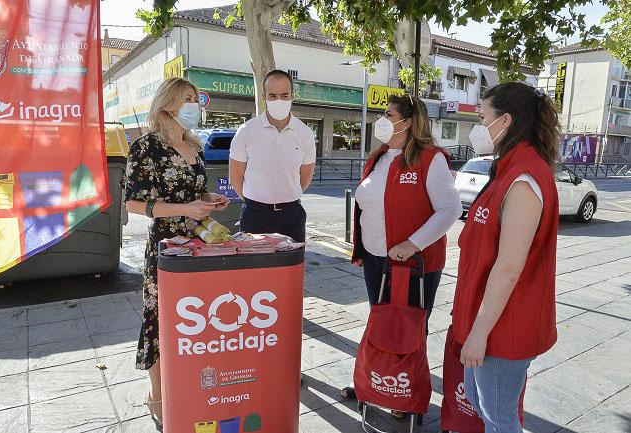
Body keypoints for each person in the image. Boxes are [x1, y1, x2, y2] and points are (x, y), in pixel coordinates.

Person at [343, 94, 462, 414]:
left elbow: (451, 209)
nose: (381, 119)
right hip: (375, 258)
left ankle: (402, 392)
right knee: (381, 323)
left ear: (407, 121)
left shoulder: (429, 158)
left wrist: (413, 243)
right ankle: (376, 379)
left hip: (412, 264)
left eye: (388, 113)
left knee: (407, 328)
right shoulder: (379, 155)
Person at [452, 82, 560, 433]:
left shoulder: (525, 178)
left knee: (499, 418)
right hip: (486, 315)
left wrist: (479, 333)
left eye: (483, 117)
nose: (479, 126)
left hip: (504, 325)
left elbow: (510, 266)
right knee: (478, 397)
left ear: (506, 120)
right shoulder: (508, 168)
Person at [123, 78, 230, 427]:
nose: (194, 105)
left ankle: (185, 385)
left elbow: (195, 194)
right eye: (188, 99)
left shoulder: (194, 145)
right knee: (160, 320)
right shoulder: (146, 147)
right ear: (169, 103)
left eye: (196, 99)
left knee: (192, 321)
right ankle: (157, 395)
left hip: (199, 245)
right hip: (166, 249)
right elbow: (134, 203)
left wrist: (209, 201)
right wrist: (185, 209)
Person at [229, 70, 316, 242]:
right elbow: (235, 178)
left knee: (292, 268)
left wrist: (285, 197)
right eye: (273, 95)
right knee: (254, 267)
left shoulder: (305, 133)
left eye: (284, 95)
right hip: (255, 215)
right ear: (264, 97)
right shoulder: (246, 131)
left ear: (293, 96)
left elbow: (305, 178)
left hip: (292, 215)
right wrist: (257, 203)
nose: (279, 101)